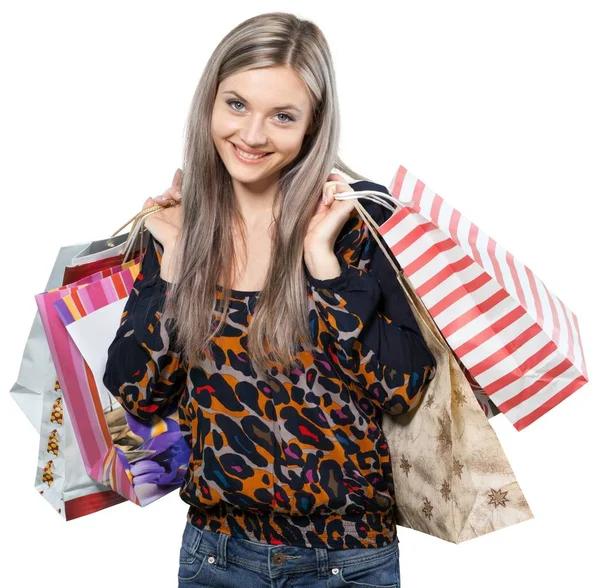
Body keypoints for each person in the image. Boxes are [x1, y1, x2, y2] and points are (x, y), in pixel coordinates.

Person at [102, 11, 436, 588]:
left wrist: (325, 268)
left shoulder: (356, 221)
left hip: (348, 562)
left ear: (313, 126)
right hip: (218, 556)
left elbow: (403, 389)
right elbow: (137, 392)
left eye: (282, 116)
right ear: (209, 102)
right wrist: (177, 265)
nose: (252, 136)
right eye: (236, 105)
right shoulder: (181, 227)